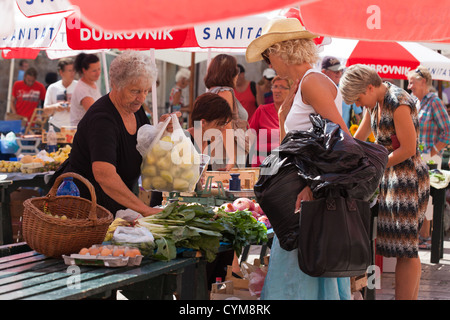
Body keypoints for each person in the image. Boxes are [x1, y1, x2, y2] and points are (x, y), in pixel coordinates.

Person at [246, 17, 351, 300]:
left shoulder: (313, 81)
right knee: (299, 273)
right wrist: (282, 119)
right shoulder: (306, 82)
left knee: (298, 276)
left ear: (281, 50)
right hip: (303, 196)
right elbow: (294, 146)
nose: (270, 64)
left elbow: (340, 140)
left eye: (268, 55)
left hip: (309, 198)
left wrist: (313, 187)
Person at [340, 64, 430, 300]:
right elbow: (358, 139)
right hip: (391, 178)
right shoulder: (376, 101)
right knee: (402, 248)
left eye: (358, 98)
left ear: (369, 87)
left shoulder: (397, 101)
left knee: (406, 250)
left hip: (408, 179)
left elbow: (409, 149)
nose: (359, 105)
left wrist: (373, 167)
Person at [55, 51, 169, 217]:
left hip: (118, 206)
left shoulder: (136, 110)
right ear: (116, 84)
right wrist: (144, 209)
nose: (141, 98)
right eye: (135, 91)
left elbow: (147, 145)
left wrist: (163, 129)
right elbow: (104, 175)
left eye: (146, 91)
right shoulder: (102, 119)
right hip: (87, 209)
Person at [407, 66, 450, 250]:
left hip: (430, 159)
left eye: (412, 82)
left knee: (428, 198)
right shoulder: (418, 102)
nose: (409, 86)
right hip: (419, 157)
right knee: (419, 197)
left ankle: (426, 236)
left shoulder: (434, 101)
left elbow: (447, 131)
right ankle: (421, 235)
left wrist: (432, 151)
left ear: (423, 81)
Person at [204, 54, 249, 170]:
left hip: (220, 150)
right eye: (236, 70)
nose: (237, 74)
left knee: (220, 185)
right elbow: (225, 125)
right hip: (228, 151)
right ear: (230, 73)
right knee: (230, 186)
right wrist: (232, 158)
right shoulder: (225, 92)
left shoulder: (212, 92)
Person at [248, 76, 292, 167]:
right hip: (261, 163)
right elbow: (249, 136)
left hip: (286, 163)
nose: (277, 90)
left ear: (291, 91)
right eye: (275, 87)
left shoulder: (295, 114)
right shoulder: (262, 110)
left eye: (282, 87)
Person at [321, 56, 363, 128]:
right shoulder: (317, 90)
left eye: (341, 71)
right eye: (336, 71)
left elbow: (358, 116)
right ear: (324, 72)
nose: (339, 73)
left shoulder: (348, 89)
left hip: (344, 136)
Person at [43, 58, 78, 131]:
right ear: (61, 72)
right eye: (70, 71)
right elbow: (45, 110)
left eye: (74, 70)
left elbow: (88, 109)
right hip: (56, 127)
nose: (73, 73)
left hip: (75, 128)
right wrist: (55, 107)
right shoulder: (53, 88)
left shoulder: (80, 87)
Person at [70, 53, 102, 126]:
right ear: (84, 70)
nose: (98, 73)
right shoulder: (82, 90)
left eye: (99, 69)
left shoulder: (93, 83)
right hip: (82, 133)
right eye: (94, 71)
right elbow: (96, 113)